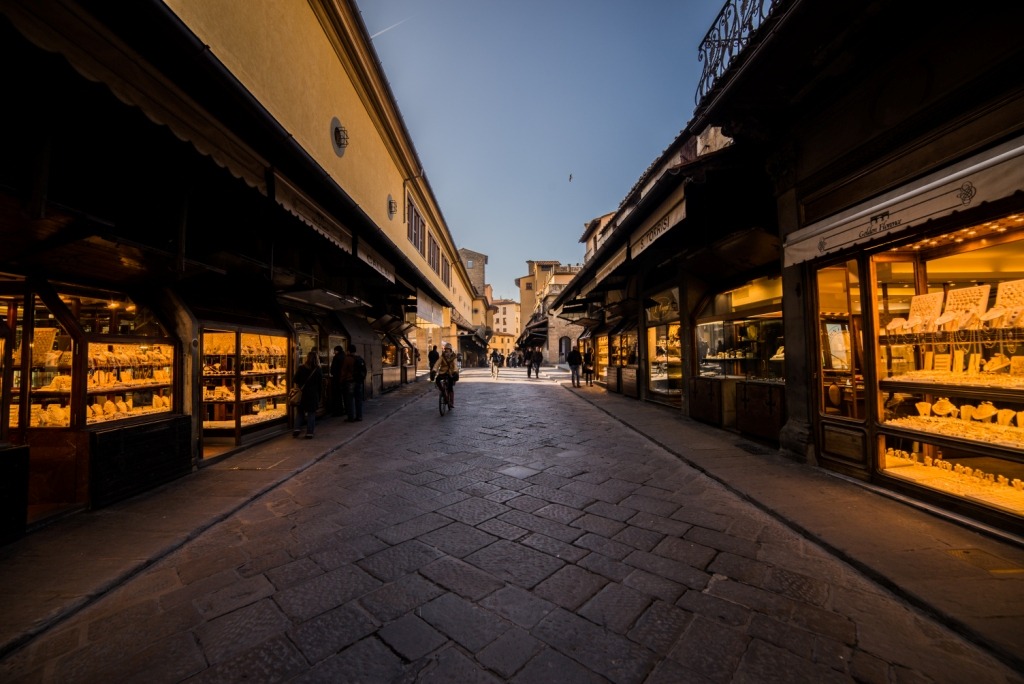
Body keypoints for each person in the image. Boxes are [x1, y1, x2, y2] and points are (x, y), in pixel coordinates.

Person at [292, 349, 322, 438]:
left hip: (302, 394)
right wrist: (320, 396)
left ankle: (297, 429)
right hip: (313, 394)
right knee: (311, 413)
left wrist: (300, 385)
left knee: (300, 412)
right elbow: (320, 384)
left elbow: (295, 379)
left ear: (307, 358)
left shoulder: (301, 368)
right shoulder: (318, 370)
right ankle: (309, 432)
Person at [339, 342, 364, 422]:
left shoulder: (347, 359)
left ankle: (351, 417)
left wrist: (341, 380)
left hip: (350, 381)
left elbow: (344, 371)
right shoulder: (359, 358)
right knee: (358, 400)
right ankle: (359, 416)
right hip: (358, 381)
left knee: (349, 400)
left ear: (348, 351)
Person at [433, 341, 459, 408]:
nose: (446, 351)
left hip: (450, 373)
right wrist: (434, 370)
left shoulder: (454, 357)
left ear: (450, 350)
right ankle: (443, 392)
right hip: (443, 372)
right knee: (437, 380)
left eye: (448, 349)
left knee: (450, 387)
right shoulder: (442, 356)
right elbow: (437, 363)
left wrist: (455, 371)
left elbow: (455, 365)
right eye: (446, 349)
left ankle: (451, 402)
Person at [329, 345, 345, 417]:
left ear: (337, 351)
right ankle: (342, 410)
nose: (334, 352)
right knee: (342, 396)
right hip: (343, 379)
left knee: (336, 396)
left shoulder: (336, 357)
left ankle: (337, 411)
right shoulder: (344, 356)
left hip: (336, 379)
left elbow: (333, 369)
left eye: (335, 351)